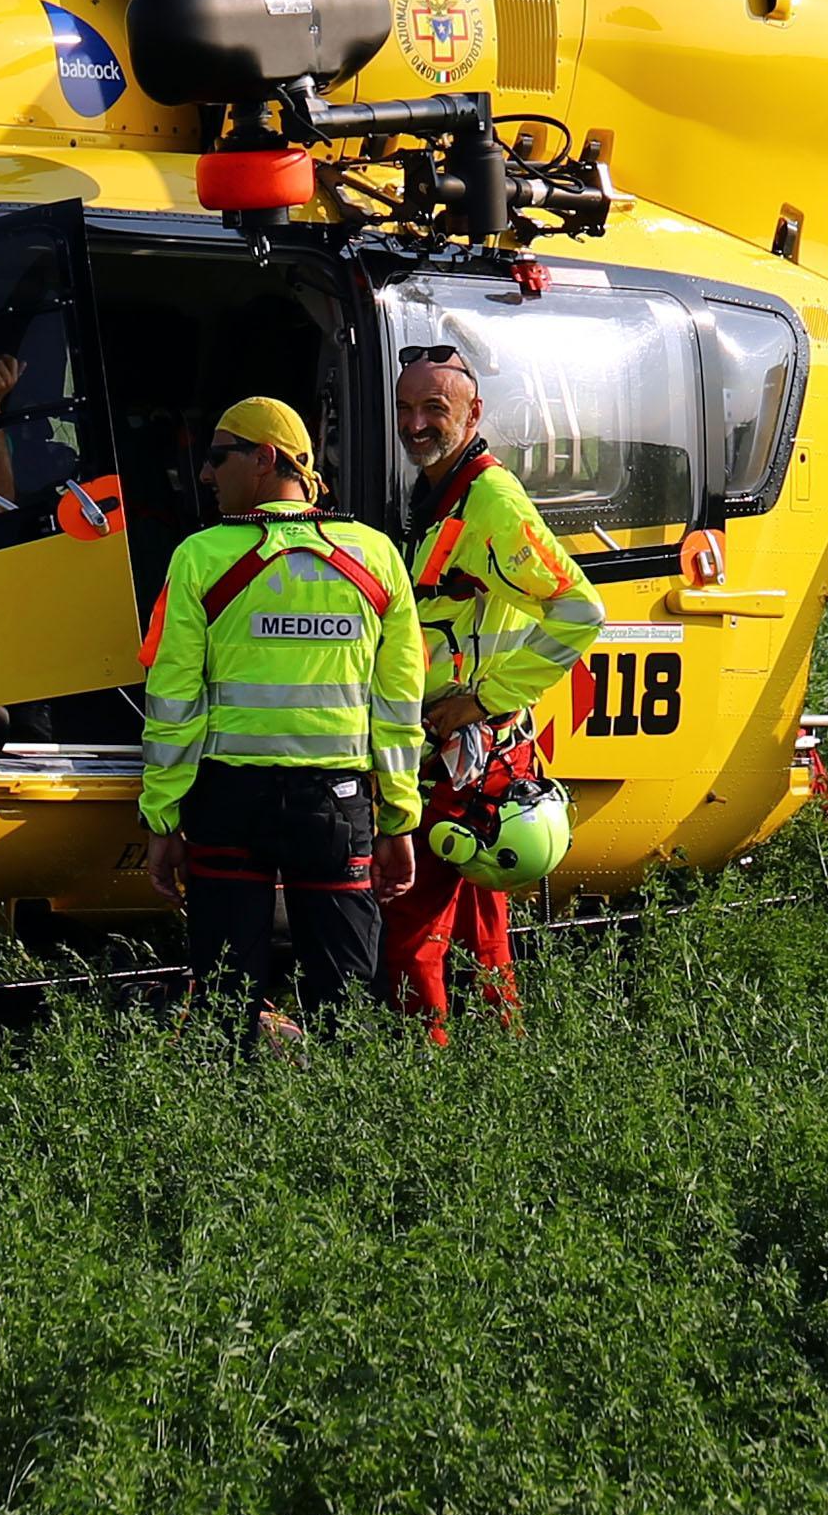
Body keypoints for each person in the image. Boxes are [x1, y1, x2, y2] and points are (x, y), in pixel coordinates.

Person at [136, 396, 423, 1042]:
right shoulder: (375, 558)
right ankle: (342, 1134)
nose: (205, 475)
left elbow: (172, 707)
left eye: (217, 457)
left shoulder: (198, 558)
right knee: (346, 1007)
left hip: (226, 802)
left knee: (221, 1004)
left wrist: (161, 818)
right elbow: (398, 709)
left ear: (264, 459)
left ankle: (222, 1131)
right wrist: (400, 817)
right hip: (335, 805)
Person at [383, 341, 605, 1041]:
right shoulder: (442, 490)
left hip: (462, 755)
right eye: (405, 408)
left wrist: (483, 700)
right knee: (484, 934)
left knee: (408, 928)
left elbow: (579, 609)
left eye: (433, 409)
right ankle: (500, 1056)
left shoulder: (491, 502)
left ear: (473, 413)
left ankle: (420, 1067)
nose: (415, 423)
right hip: (479, 759)